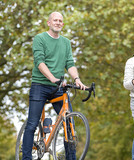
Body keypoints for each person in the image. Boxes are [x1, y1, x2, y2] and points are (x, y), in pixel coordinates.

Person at [22, 12, 86, 160]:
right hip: (40, 85)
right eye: (55, 20)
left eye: (60, 21)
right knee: (32, 124)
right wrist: (53, 78)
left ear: (62, 24)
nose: (58, 22)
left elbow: (70, 64)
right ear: (49, 23)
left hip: (58, 88)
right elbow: (39, 62)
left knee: (69, 124)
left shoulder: (66, 42)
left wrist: (77, 79)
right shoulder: (40, 38)